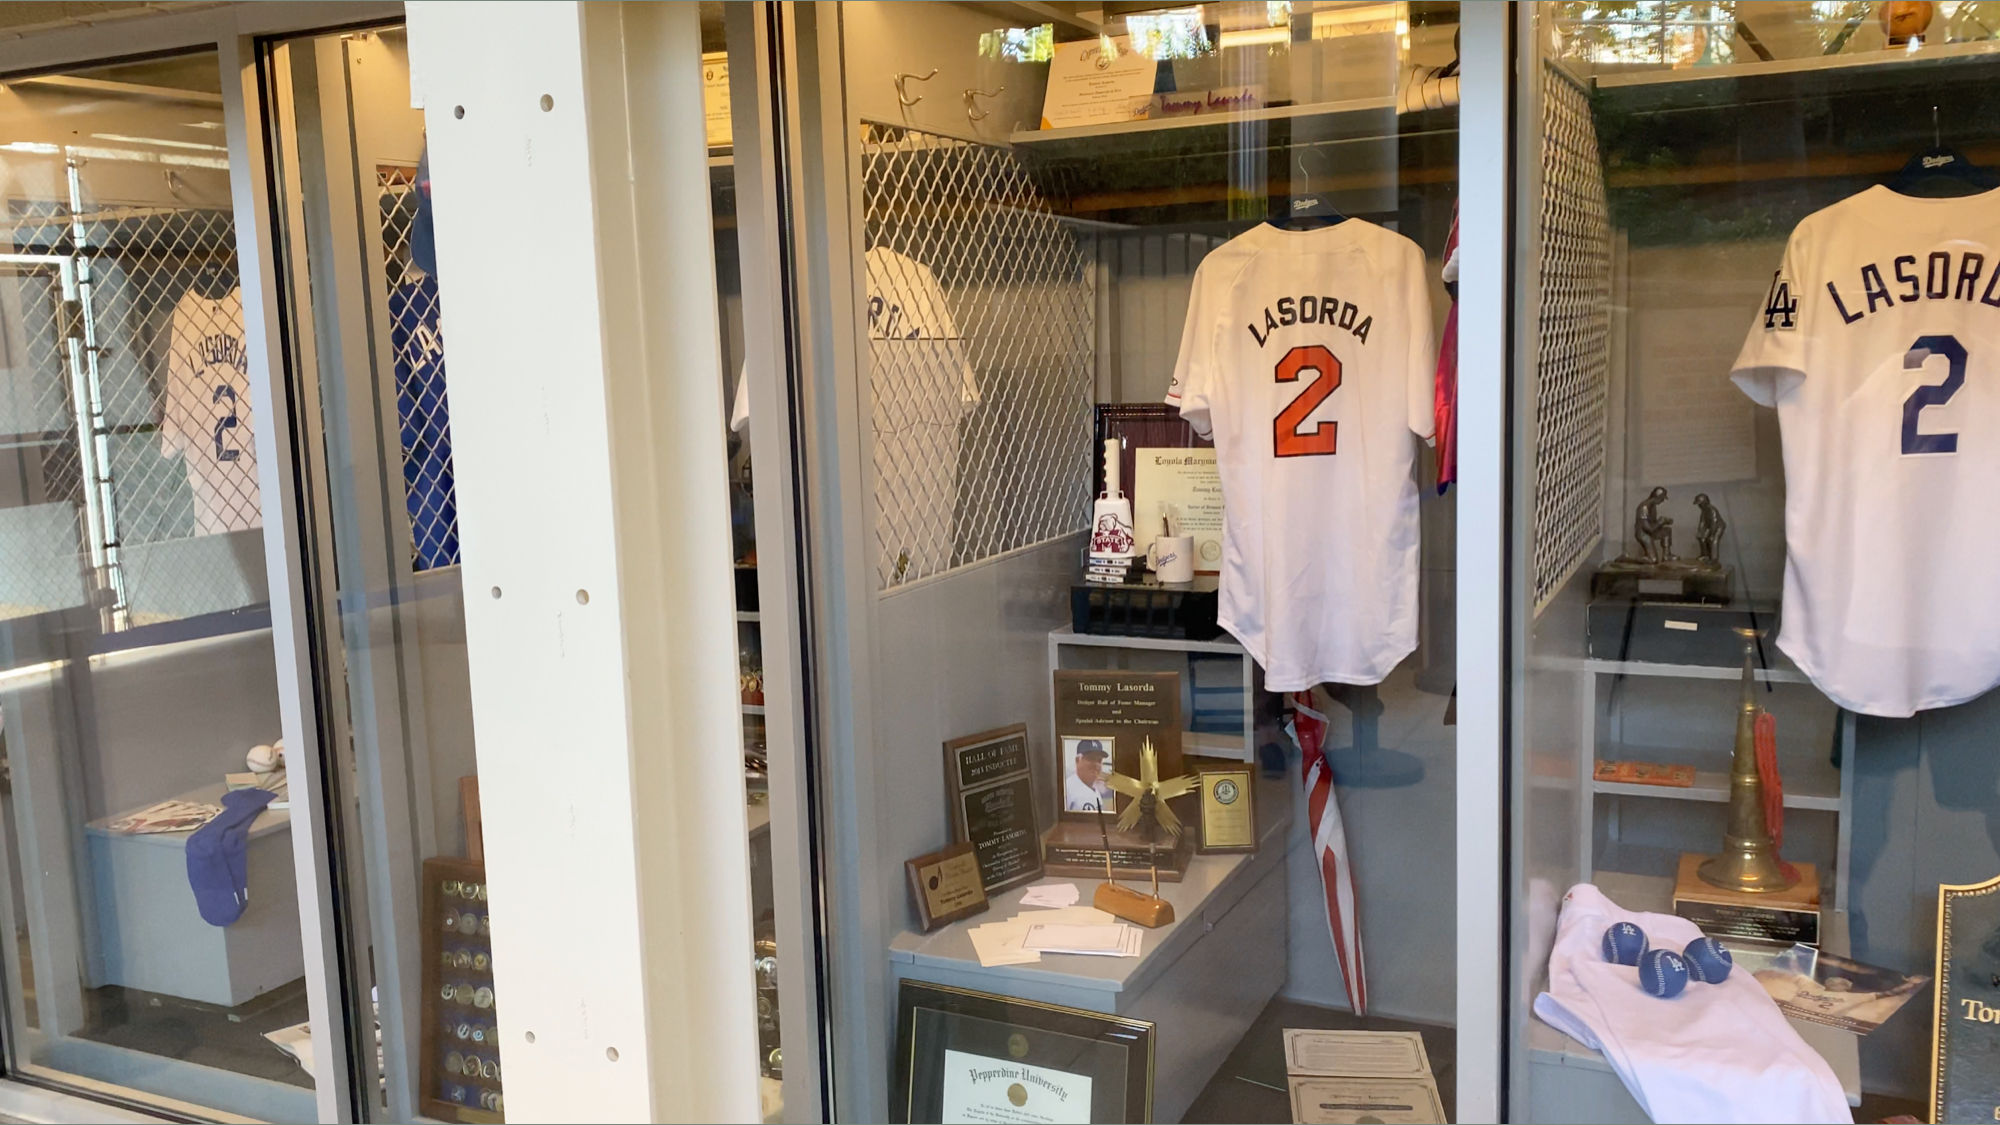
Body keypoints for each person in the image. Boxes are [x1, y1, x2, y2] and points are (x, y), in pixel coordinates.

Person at [1064, 740, 1117, 812]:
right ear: (1077, 760)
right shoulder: (1066, 789)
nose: (1096, 765)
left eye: (1099, 760)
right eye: (1090, 758)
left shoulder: (1095, 790)